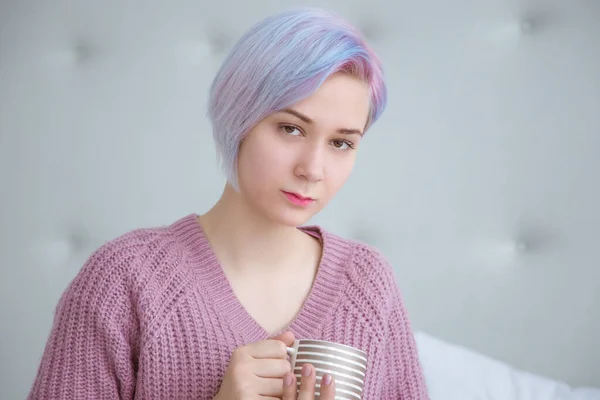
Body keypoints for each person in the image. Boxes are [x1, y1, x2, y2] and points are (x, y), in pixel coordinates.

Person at [27, 7, 429, 400]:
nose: (313, 169)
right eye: (290, 129)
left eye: (341, 143)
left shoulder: (367, 283)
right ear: (238, 118)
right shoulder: (122, 281)